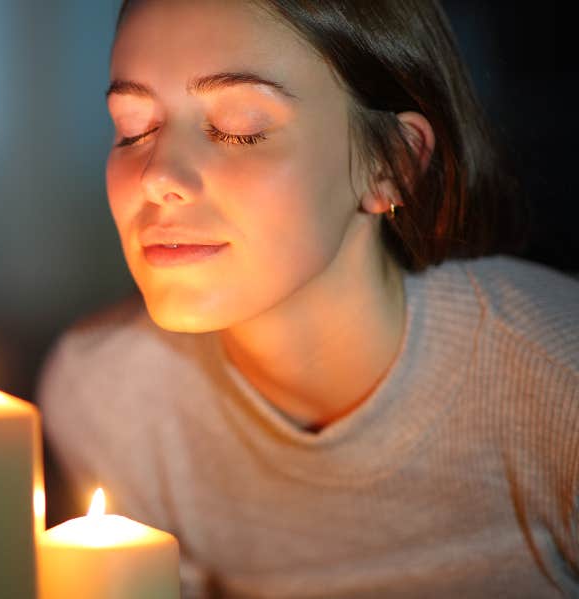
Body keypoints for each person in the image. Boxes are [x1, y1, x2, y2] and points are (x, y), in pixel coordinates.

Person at [37, 0, 579, 597]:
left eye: (240, 127)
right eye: (133, 129)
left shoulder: (557, 385)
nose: (157, 176)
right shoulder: (107, 396)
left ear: (392, 164)